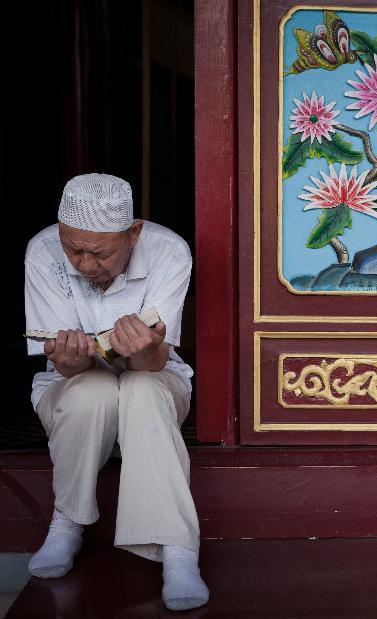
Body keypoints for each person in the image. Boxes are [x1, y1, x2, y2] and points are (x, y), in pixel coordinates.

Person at [23, 173, 209, 611]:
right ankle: (66, 523)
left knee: (141, 390)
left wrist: (142, 351)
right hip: (72, 382)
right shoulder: (42, 250)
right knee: (92, 391)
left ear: (134, 233)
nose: (86, 265)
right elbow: (66, 368)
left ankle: (179, 550)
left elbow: (154, 362)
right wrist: (69, 356)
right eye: (75, 249)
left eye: (100, 253)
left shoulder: (168, 251)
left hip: (156, 377)